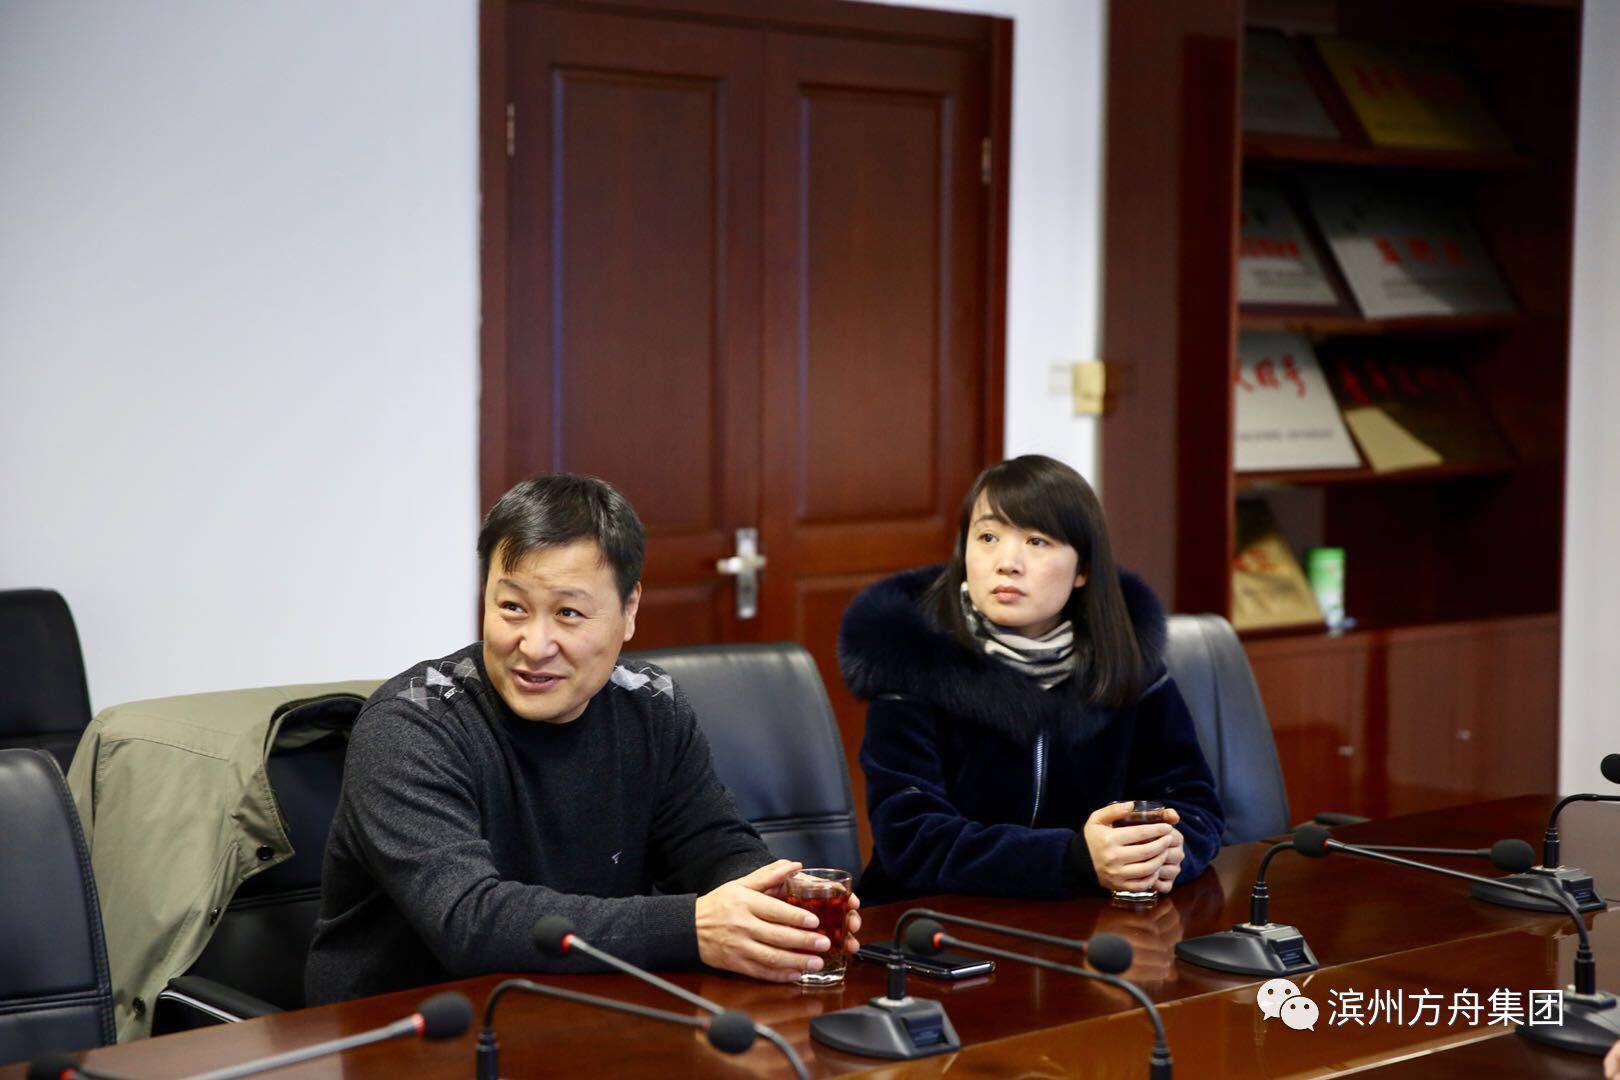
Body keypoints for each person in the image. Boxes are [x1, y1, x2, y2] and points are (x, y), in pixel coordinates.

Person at [307, 473, 859, 1002]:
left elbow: (713, 845)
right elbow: (468, 920)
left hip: (584, 1010)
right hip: (409, 1029)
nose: (534, 645)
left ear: (629, 611)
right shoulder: (411, 724)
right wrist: (692, 926)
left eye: (568, 613)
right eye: (512, 608)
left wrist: (778, 909)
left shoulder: (649, 705)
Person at [838, 454, 1225, 905]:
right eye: (988, 537)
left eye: (1037, 541)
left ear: (1083, 569)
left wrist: (1172, 851)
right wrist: (1073, 859)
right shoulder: (914, 665)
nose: (1007, 562)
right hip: (929, 924)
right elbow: (911, 840)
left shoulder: (1128, 666)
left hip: (1085, 925)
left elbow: (1193, 803)